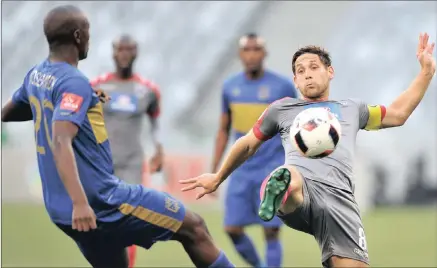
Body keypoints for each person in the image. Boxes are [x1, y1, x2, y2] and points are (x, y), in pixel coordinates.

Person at [1, 5, 234, 268]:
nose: (90, 37)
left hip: (60, 209)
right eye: (87, 31)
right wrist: (80, 203)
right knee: (194, 227)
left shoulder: (37, 75)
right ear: (78, 36)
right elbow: (60, 140)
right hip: (100, 201)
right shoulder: (73, 81)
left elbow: (8, 111)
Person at [181, 33, 436, 268]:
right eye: (300, 71)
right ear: (295, 80)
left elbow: (397, 115)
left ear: (330, 71)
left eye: (314, 67)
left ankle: (283, 189)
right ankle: (280, 192)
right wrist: (217, 177)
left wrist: (425, 73)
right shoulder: (282, 109)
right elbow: (247, 143)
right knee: (289, 175)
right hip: (302, 193)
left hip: (340, 202)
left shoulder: (352, 109)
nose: (307, 74)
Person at [211, 33, 297, 267]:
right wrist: (214, 170)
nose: (251, 55)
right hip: (241, 168)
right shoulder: (230, 87)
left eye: (256, 49)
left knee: (271, 232)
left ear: (264, 53)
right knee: (232, 228)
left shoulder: (282, 86)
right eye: (246, 50)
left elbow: (296, 128)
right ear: (240, 54)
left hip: (272, 167)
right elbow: (223, 130)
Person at [90, 35, 163, 267]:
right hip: (103, 164)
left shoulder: (147, 90)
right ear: (113, 53)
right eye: (120, 49)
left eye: (129, 49)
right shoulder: (98, 87)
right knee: (100, 222)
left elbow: (155, 122)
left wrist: (158, 150)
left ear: (136, 53)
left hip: (132, 163)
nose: (124, 54)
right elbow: (84, 117)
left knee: (129, 219)